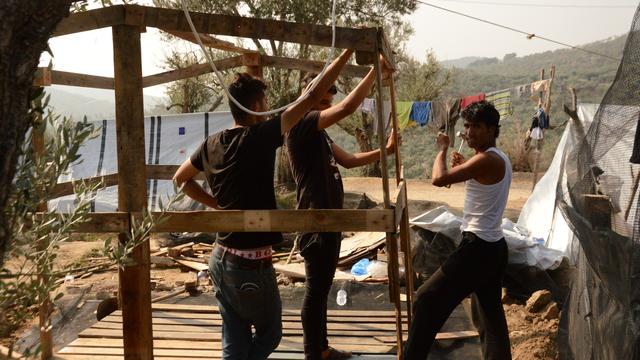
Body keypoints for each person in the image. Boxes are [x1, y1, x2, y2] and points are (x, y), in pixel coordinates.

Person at [172, 48, 355, 360]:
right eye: (267, 104)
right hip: (250, 262)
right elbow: (310, 98)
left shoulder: (211, 142)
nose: (270, 109)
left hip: (220, 258)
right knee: (270, 335)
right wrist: (347, 49)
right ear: (256, 105)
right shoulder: (259, 136)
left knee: (234, 336)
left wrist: (215, 204)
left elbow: (181, 179)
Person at [286, 56, 397, 360]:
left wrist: (384, 152)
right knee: (315, 290)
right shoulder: (300, 123)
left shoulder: (319, 132)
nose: (326, 107)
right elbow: (348, 108)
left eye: (328, 101)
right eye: (321, 100)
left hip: (330, 219)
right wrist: (374, 71)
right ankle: (314, 352)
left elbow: (348, 160)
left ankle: (321, 348)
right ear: (307, 97)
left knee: (321, 289)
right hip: (316, 219)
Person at [404, 100, 512, 360]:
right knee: (490, 317)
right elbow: (480, 179)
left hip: (478, 249)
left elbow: (439, 179)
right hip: (493, 247)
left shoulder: (486, 159)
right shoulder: (495, 158)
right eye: (467, 125)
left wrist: (442, 149)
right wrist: (465, 164)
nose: (469, 131)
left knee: (426, 298)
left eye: (476, 126)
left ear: (491, 129)